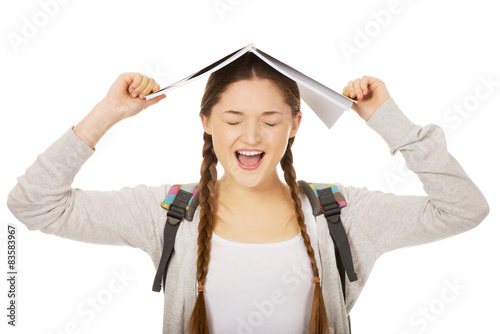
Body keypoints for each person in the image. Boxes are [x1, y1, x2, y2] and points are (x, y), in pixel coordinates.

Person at [7, 53, 489, 334]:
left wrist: (390, 121)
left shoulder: (340, 213)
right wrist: (106, 113)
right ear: (206, 122)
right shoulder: (168, 211)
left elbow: (463, 209)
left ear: (296, 125)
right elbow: (34, 204)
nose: (251, 137)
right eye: (233, 120)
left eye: (271, 120)